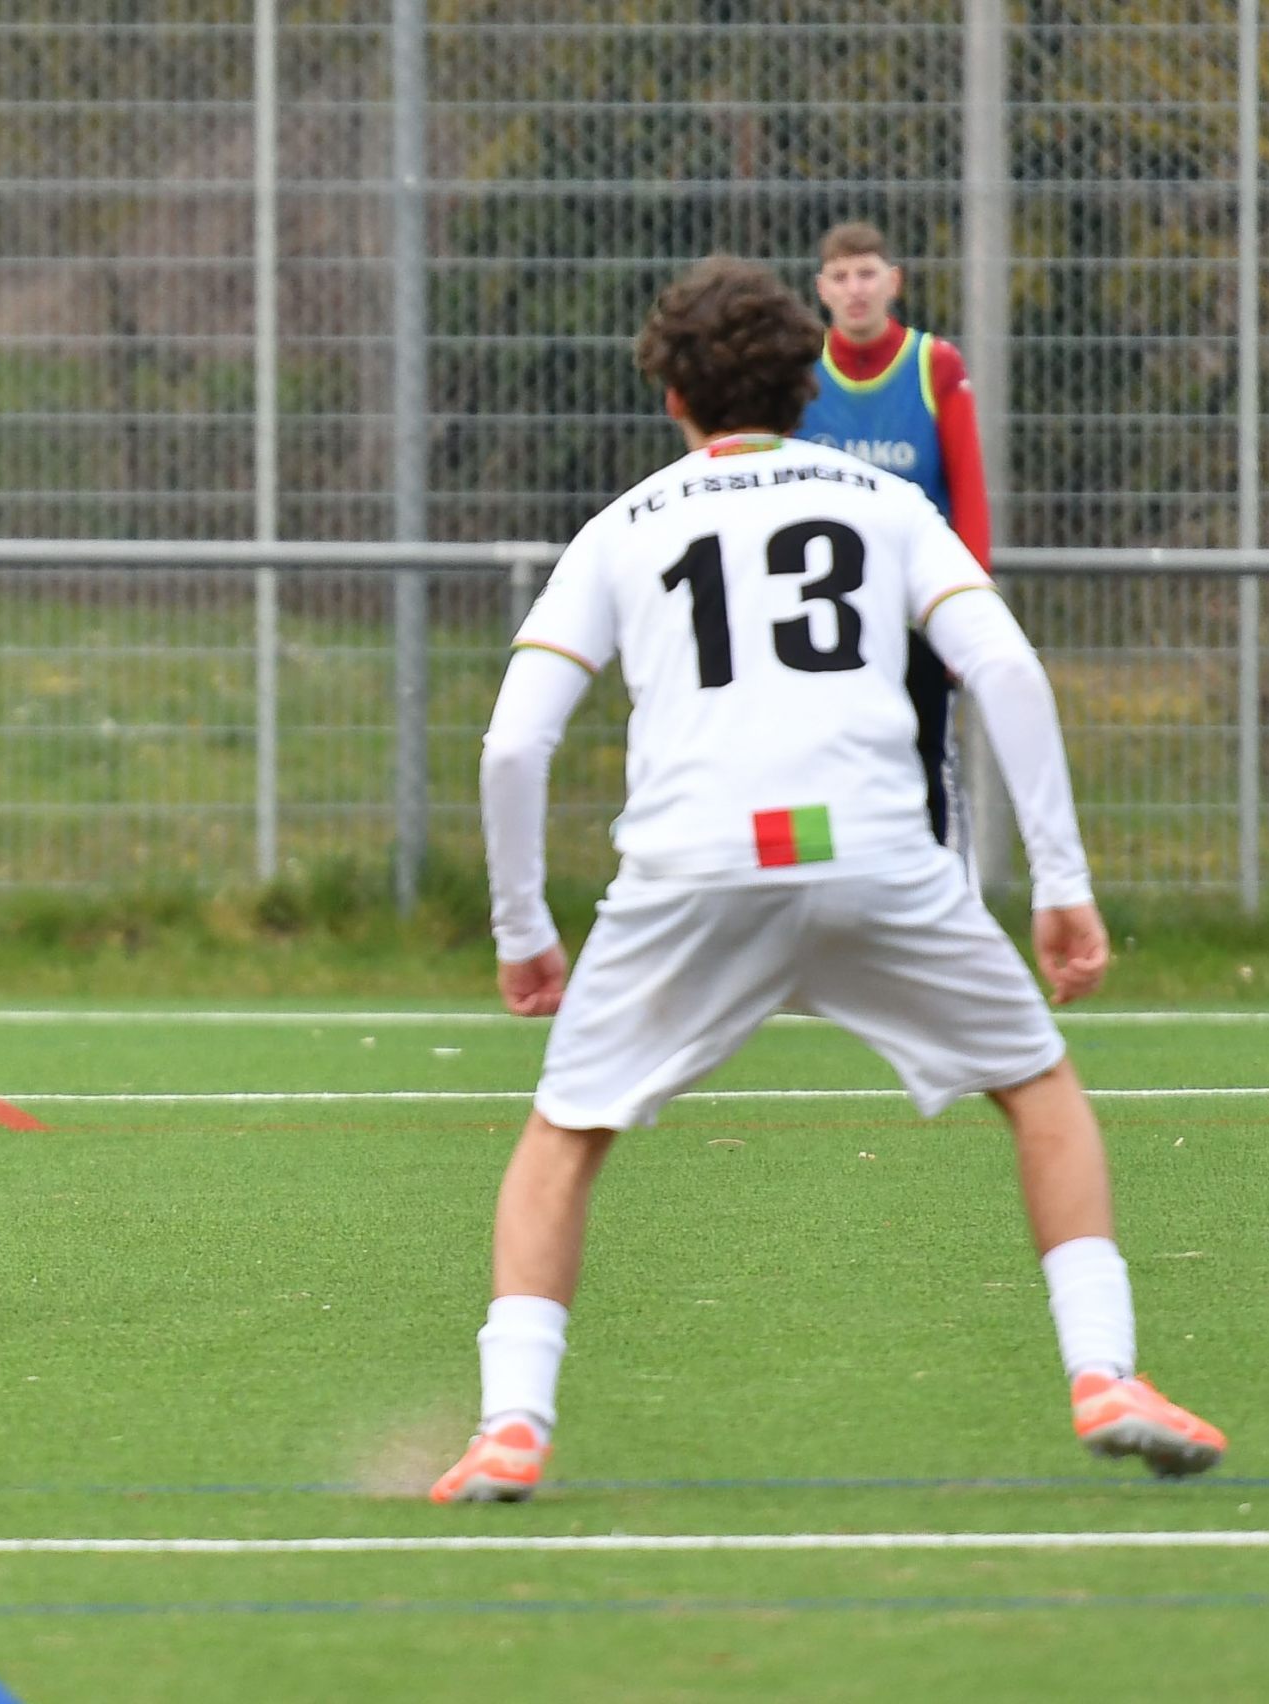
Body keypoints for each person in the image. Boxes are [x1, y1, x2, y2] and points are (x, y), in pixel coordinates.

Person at [429, 257, 1223, 1504]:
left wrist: (522, 928)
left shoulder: (622, 527)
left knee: (565, 1136)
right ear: (808, 389)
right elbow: (1007, 672)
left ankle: (511, 1427)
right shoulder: (885, 505)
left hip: (692, 865)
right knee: (1039, 1089)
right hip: (873, 851)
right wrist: (1060, 882)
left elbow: (514, 745)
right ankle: (1105, 1375)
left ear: (673, 396)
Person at [798, 220, 992, 851]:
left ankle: (946, 891)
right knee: (817, 767)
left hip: (915, 617)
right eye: (841, 276)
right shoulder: (801, 374)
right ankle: (818, 891)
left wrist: (967, 615)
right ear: (822, 289)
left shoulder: (933, 365)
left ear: (894, 283)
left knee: (925, 762)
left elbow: (969, 497)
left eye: (867, 274)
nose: (855, 289)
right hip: (825, 624)